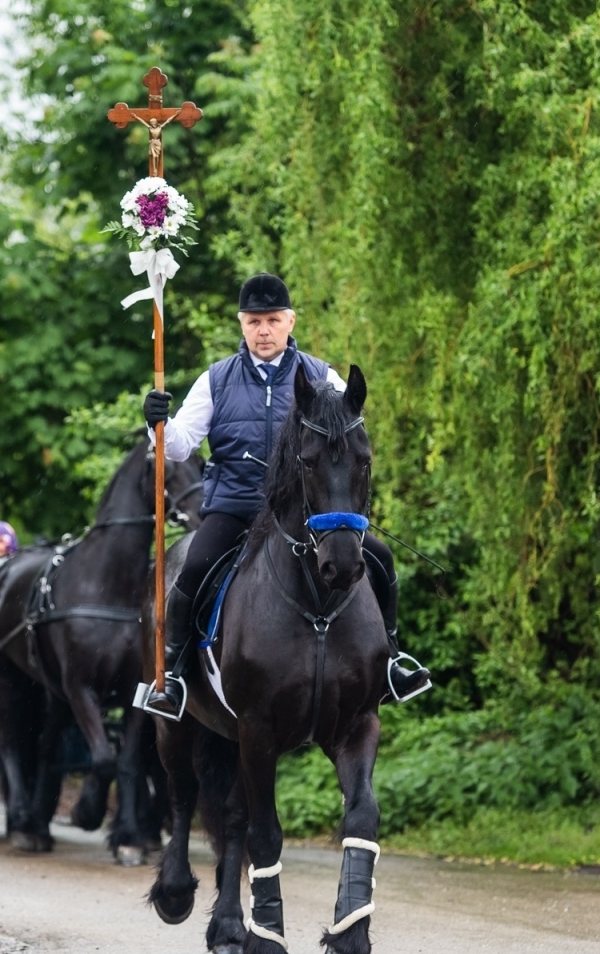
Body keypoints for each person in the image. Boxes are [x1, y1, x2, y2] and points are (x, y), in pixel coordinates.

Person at [141, 273, 430, 716]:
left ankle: (391, 661)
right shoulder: (215, 380)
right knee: (192, 569)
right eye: (254, 321)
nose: (264, 330)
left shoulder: (321, 376)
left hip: (304, 514)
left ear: (290, 321)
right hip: (236, 507)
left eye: (273, 320)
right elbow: (179, 446)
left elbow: (345, 444)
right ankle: (175, 676)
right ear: (241, 324)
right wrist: (157, 422)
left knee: (382, 558)